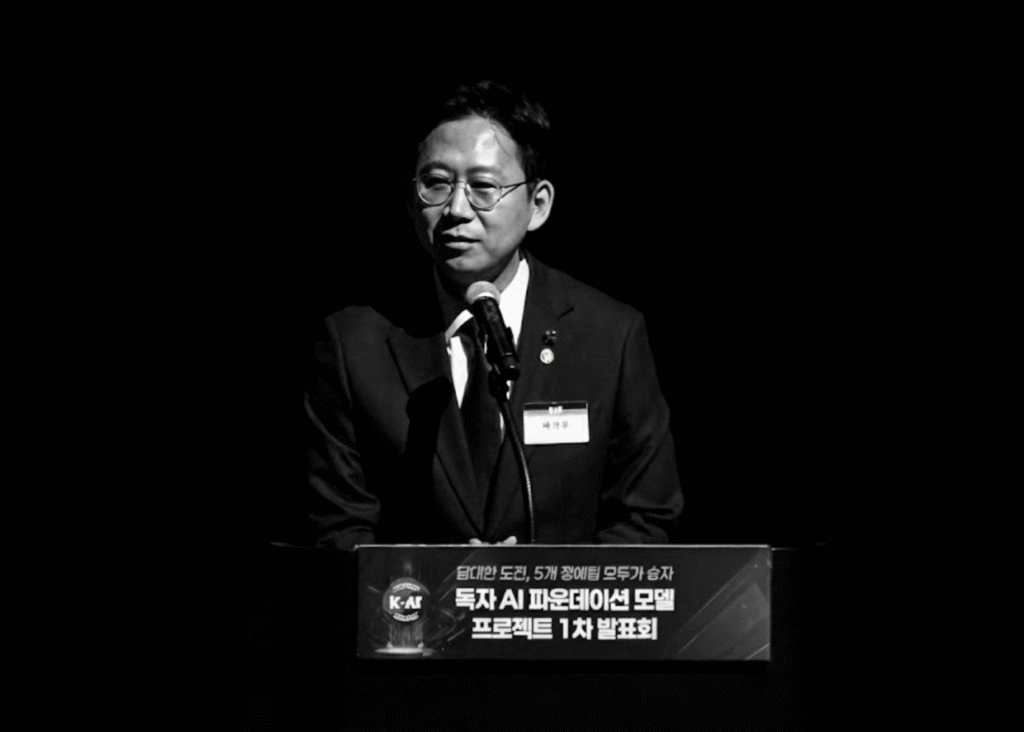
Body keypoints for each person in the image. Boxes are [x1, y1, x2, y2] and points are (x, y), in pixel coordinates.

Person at [304, 81, 682, 548]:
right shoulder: (354, 343)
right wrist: (437, 580)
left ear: (538, 205)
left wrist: (534, 582)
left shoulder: (609, 336)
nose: (456, 209)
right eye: (436, 183)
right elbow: (336, 526)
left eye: (483, 187)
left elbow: (647, 516)